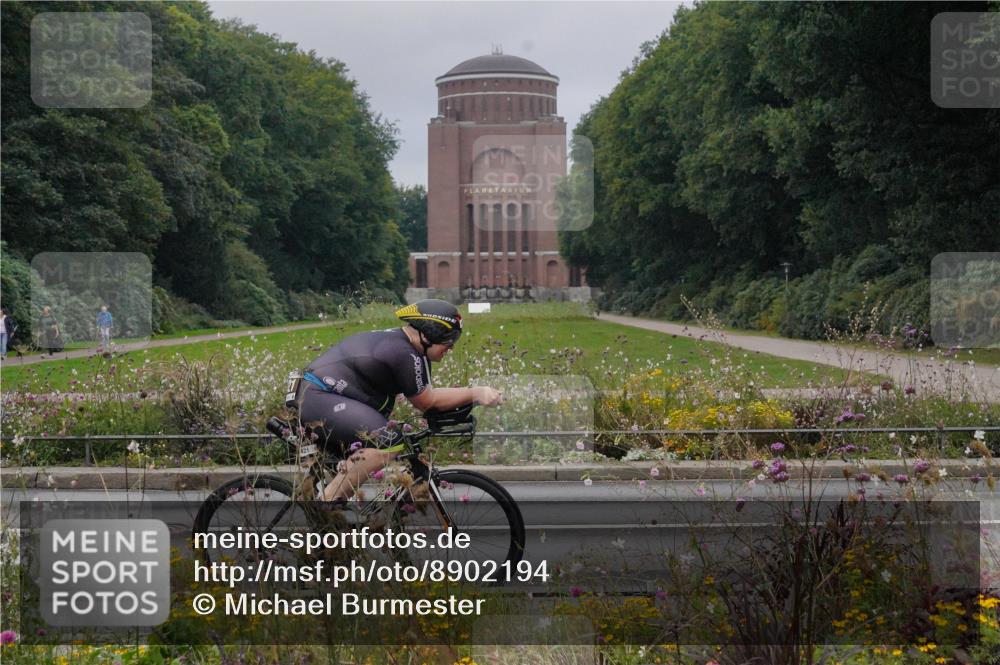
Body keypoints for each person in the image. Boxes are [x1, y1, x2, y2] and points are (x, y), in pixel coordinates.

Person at [294, 299, 503, 504]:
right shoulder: (404, 353)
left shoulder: (411, 349)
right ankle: (327, 504)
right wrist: (476, 392)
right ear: (429, 334)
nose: (450, 349)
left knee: (380, 442)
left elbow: (429, 395)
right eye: (448, 342)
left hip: (323, 395)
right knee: (388, 442)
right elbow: (427, 402)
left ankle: (334, 517)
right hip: (318, 396)